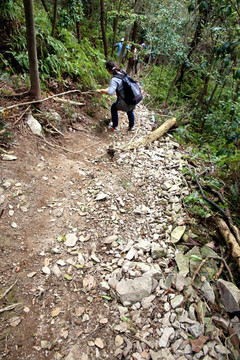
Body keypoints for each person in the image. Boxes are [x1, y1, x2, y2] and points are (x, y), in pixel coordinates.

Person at [96, 60, 135, 132]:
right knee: (130, 110)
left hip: (124, 102)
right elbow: (112, 87)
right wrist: (105, 89)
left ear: (108, 69)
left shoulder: (115, 79)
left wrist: (101, 91)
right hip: (132, 98)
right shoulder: (122, 72)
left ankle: (114, 126)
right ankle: (131, 126)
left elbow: (110, 92)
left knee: (114, 107)